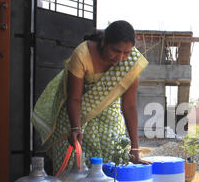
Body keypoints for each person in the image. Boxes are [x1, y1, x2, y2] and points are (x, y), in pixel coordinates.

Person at [32, 20, 150, 173]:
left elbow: (129, 106)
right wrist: (75, 128)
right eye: (115, 50)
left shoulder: (132, 62)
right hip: (76, 114)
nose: (120, 58)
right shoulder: (82, 55)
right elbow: (74, 98)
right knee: (74, 165)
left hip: (109, 115)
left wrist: (135, 148)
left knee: (112, 164)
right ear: (104, 41)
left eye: (126, 53)